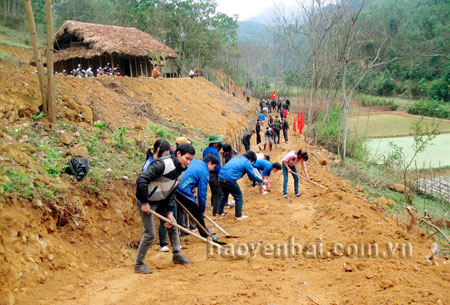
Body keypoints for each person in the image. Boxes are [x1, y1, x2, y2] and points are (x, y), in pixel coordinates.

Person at [135, 144, 195, 274]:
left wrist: (170, 212)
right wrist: (144, 202)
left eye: (191, 159)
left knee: (173, 224)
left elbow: (171, 190)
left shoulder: (182, 170)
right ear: (178, 154)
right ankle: (139, 264)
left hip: (162, 198)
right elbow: (142, 180)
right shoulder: (163, 164)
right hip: (147, 200)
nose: (188, 162)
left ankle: (177, 255)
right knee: (150, 234)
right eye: (187, 158)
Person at [175, 154, 219, 238]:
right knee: (196, 210)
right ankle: (205, 234)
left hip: (176, 184)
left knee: (182, 209)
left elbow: (190, 175)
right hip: (183, 188)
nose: (213, 169)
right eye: (213, 166)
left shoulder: (195, 162)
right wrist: (202, 209)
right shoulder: (204, 172)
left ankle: (201, 229)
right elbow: (202, 194)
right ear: (209, 163)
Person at [217, 151, 268, 220]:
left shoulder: (237, 158)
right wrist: (262, 180)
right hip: (229, 180)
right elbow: (253, 176)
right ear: (251, 159)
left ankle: (219, 213)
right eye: (252, 161)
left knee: (224, 195)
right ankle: (238, 215)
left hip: (220, 178)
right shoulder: (246, 162)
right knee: (238, 196)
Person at [203, 135, 223, 216]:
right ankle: (216, 211)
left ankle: (213, 206)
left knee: (213, 191)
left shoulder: (205, 150)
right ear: (215, 143)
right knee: (218, 192)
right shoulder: (215, 152)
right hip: (214, 173)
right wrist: (221, 174)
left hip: (207, 172)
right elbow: (217, 165)